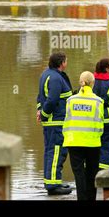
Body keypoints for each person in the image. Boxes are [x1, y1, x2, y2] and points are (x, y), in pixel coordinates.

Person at [63, 71, 105, 201]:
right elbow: (100, 123)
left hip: (74, 142)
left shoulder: (70, 100)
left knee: (79, 173)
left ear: (80, 82)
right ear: (93, 83)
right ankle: (91, 198)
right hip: (92, 143)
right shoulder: (98, 101)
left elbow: (67, 119)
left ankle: (81, 198)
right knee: (92, 173)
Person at [36, 52, 73, 195]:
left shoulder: (46, 74)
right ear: (62, 63)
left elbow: (40, 96)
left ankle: (53, 181)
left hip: (52, 122)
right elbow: (52, 100)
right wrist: (45, 115)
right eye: (66, 60)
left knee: (50, 151)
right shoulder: (56, 78)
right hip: (56, 122)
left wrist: (40, 110)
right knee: (57, 152)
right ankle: (53, 185)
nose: (67, 63)